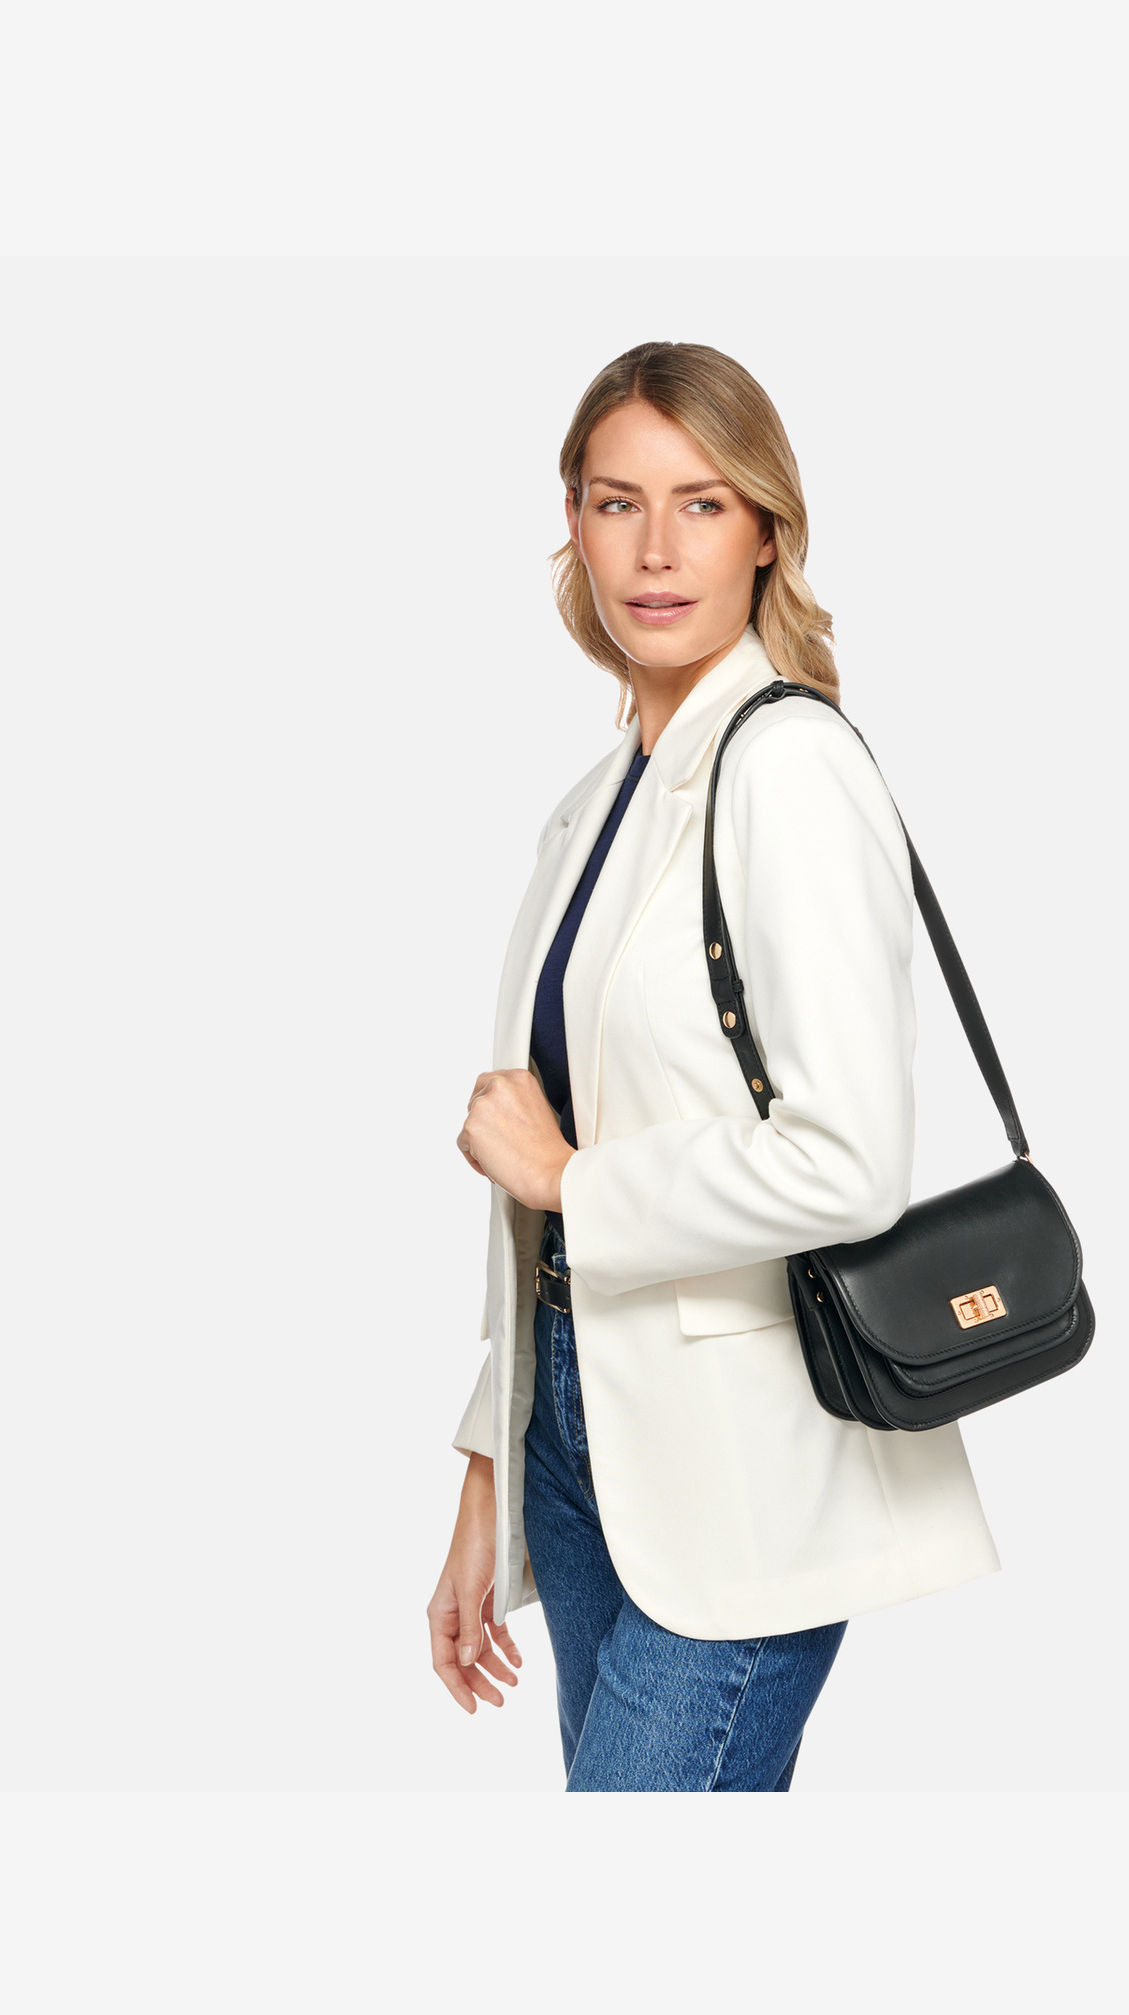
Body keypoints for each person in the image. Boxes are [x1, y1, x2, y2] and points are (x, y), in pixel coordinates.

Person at [426, 342, 999, 1791]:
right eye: (618, 502)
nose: (657, 550)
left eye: (702, 503)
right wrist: (490, 1468)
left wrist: (571, 1180)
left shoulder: (788, 767)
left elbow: (846, 1162)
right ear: (573, 521)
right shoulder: (596, 803)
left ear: (765, 532)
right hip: (574, 1436)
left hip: (740, 1471)